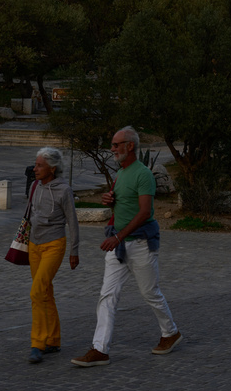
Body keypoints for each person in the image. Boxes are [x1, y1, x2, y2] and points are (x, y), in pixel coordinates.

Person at [71, 126, 181, 367]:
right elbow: (122, 205)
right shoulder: (121, 174)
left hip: (140, 244)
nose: (112, 149)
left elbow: (145, 213)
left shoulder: (143, 174)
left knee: (150, 293)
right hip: (119, 246)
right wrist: (110, 200)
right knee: (107, 295)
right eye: (112, 145)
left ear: (130, 146)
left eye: (116, 145)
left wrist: (118, 237)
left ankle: (170, 332)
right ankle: (100, 349)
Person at [27, 146, 80, 364]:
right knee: (45, 291)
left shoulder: (63, 190)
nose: (35, 169)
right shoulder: (34, 186)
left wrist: (74, 251)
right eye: (36, 164)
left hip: (54, 245)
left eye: (40, 165)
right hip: (33, 245)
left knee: (36, 292)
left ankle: (37, 343)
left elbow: (73, 221)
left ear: (52, 168)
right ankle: (54, 339)